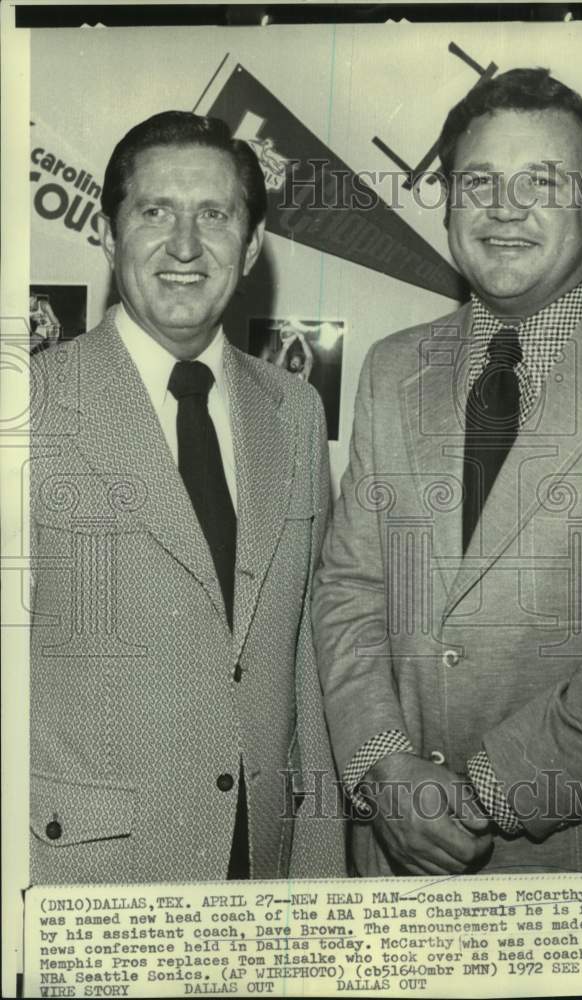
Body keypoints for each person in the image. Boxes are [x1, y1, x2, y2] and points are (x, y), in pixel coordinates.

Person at [313, 69, 582, 875]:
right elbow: (349, 588)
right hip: (394, 857)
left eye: (541, 182)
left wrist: (483, 792)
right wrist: (387, 773)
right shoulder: (390, 369)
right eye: (477, 181)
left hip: (580, 868)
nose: (504, 207)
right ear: (448, 202)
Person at [29, 111, 344, 883]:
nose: (183, 245)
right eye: (154, 212)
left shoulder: (295, 410)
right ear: (106, 233)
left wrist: (320, 882)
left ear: (252, 244)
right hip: (85, 878)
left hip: (261, 871)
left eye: (214, 214)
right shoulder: (28, 406)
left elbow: (307, 655)